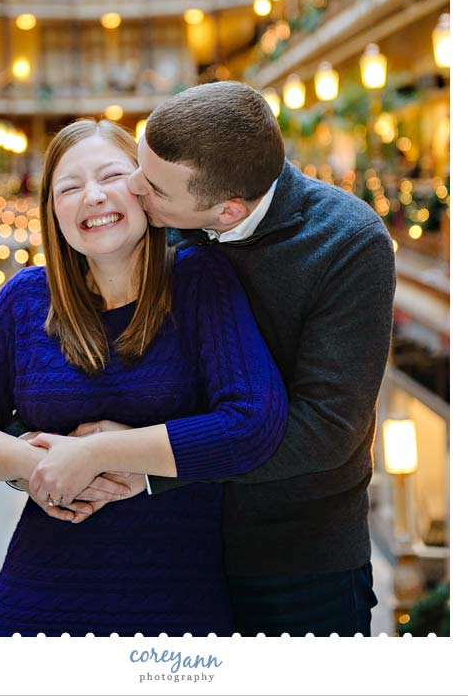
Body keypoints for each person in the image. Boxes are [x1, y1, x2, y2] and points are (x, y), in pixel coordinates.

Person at [64, 81, 396, 637]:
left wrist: (145, 466)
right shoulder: (161, 223)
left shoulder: (349, 242)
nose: (134, 189)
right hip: (172, 548)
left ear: (226, 210)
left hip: (296, 562)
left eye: (155, 187)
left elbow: (326, 431)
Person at [0, 118, 287, 637]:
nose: (92, 197)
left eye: (111, 176)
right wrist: (40, 468)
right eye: (70, 187)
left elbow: (253, 424)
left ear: (144, 189)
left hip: (173, 599)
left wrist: (97, 453)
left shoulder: (201, 281)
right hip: (39, 600)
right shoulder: (23, 299)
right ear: (53, 211)